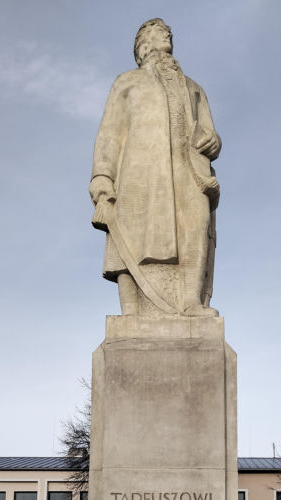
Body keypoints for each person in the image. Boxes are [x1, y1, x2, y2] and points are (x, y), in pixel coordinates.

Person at [90, 19, 221, 317]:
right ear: (143, 44)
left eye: (168, 32)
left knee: (195, 225)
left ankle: (191, 301)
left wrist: (213, 141)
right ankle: (131, 312)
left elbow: (210, 132)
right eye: (159, 30)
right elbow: (109, 134)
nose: (168, 34)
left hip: (190, 171)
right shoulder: (127, 81)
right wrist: (102, 179)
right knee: (131, 230)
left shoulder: (194, 87)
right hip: (140, 170)